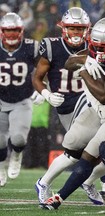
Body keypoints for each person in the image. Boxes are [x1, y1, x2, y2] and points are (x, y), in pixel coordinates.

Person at [40, 17, 105, 210]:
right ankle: (47, 186)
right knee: (74, 145)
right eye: (96, 47)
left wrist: (84, 72)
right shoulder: (97, 47)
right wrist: (85, 58)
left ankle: (58, 199)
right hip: (103, 109)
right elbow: (69, 63)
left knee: (92, 155)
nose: (99, 51)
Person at [33, 7, 105, 204]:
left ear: (87, 29)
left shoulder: (95, 46)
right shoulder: (52, 46)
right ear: (64, 28)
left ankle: (91, 181)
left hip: (89, 101)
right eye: (72, 28)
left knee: (102, 147)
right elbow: (36, 77)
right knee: (85, 151)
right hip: (66, 106)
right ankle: (92, 182)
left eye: (80, 29)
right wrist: (45, 93)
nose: (76, 33)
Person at [0, 12, 39, 187]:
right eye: (7, 31)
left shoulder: (31, 47)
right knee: (0, 141)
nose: (11, 35)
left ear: (21, 31)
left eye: (14, 30)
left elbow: (45, 67)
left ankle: (16, 154)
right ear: (2, 31)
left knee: (18, 139)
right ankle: (1, 166)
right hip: (0, 100)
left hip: (22, 99)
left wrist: (43, 88)